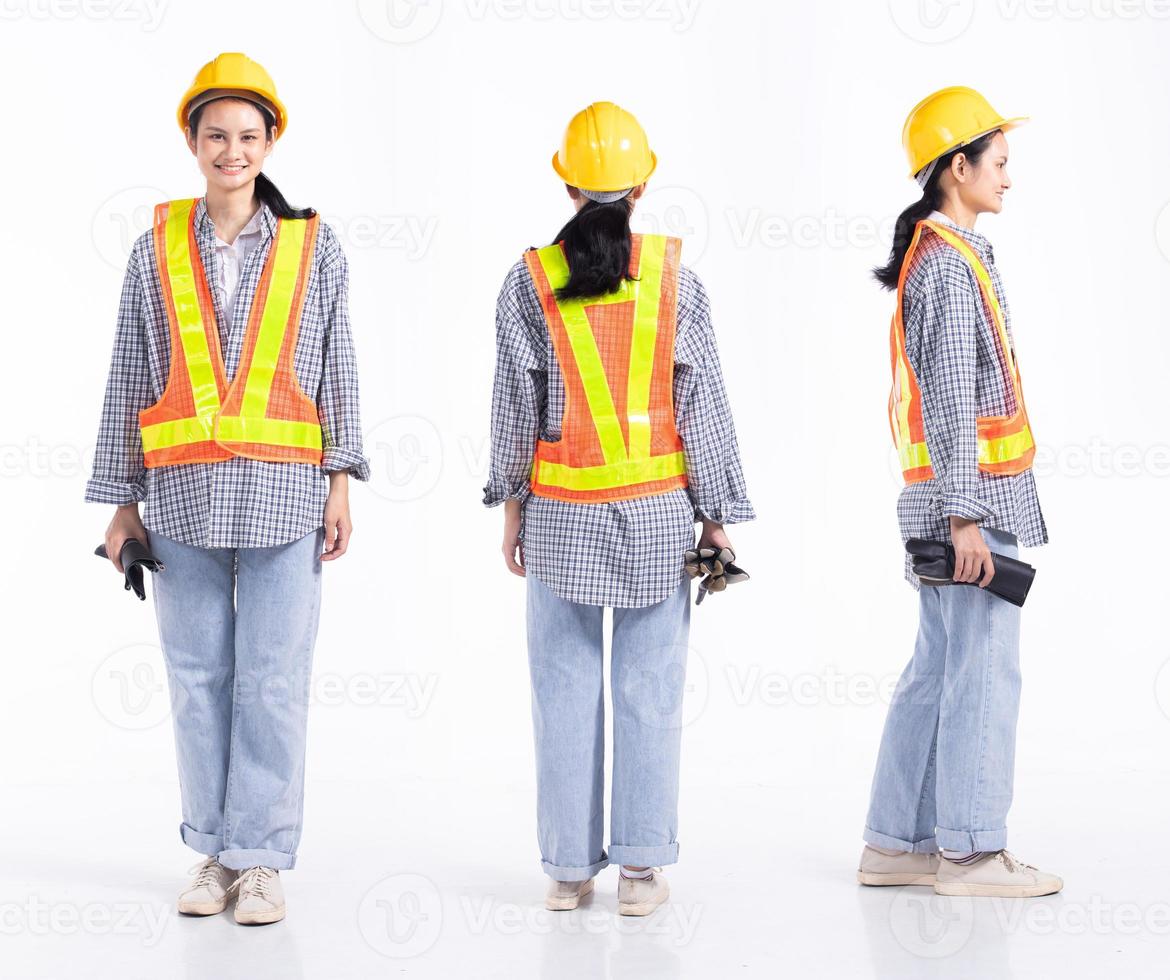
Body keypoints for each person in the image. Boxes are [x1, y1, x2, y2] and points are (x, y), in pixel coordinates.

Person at [85, 52, 370, 924]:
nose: (233, 151)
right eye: (217, 135)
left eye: (249, 136)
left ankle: (263, 859)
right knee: (199, 677)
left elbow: (338, 363)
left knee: (273, 681)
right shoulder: (155, 248)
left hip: (285, 497)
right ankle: (212, 852)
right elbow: (131, 368)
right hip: (182, 501)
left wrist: (342, 481)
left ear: (271, 140)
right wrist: (120, 501)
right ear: (191, 139)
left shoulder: (315, 246)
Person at [484, 101, 755, 915]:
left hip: (562, 515)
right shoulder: (677, 278)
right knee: (652, 690)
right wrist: (718, 512)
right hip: (658, 518)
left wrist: (510, 504)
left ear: (565, 181)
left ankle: (570, 869)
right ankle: (640, 870)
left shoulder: (529, 280)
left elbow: (514, 403)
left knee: (562, 690)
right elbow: (702, 402)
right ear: (643, 183)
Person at [856, 86, 1060, 898]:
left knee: (940, 667)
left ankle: (898, 844)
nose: (1009, 177)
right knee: (980, 671)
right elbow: (946, 396)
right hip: (970, 506)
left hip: (953, 500)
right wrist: (966, 516)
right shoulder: (945, 265)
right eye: (999, 163)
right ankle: (971, 853)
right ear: (956, 167)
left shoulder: (950, 256)